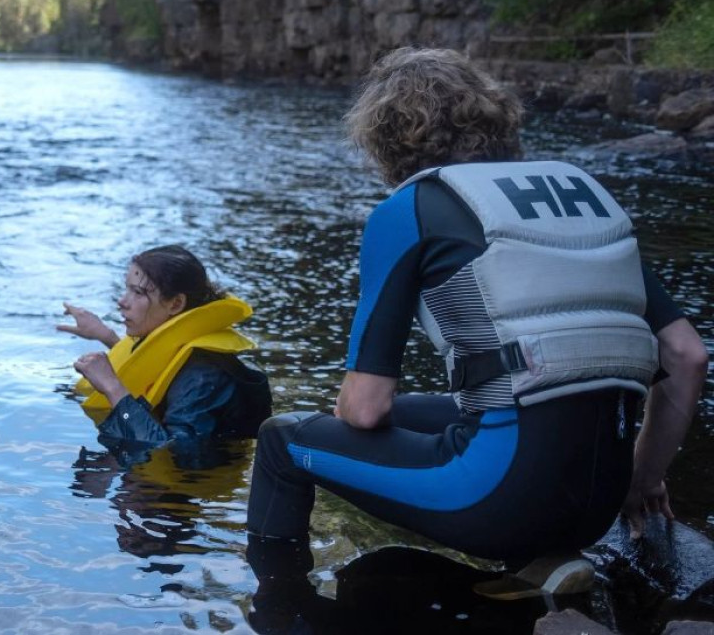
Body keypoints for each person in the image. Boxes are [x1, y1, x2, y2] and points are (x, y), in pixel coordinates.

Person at [245, 47, 707, 593]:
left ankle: (274, 599)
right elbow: (686, 354)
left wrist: (340, 414)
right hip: (601, 500)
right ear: (493, 116)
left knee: (284, 441)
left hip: (497, 498)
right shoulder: (584, 195)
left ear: (385, 137)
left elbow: (365, 409)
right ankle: (544, 565)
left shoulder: (409, 209)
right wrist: (642, 478)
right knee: (430, 415)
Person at [60, 244, 272, 448]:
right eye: (127, 289)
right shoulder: (185, 352)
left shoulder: (203, 376)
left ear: (176, 304)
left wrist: (112, 387)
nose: (122, 302)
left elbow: (169, 452)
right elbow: (156, 366)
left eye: (138, 293)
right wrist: (107, 336)